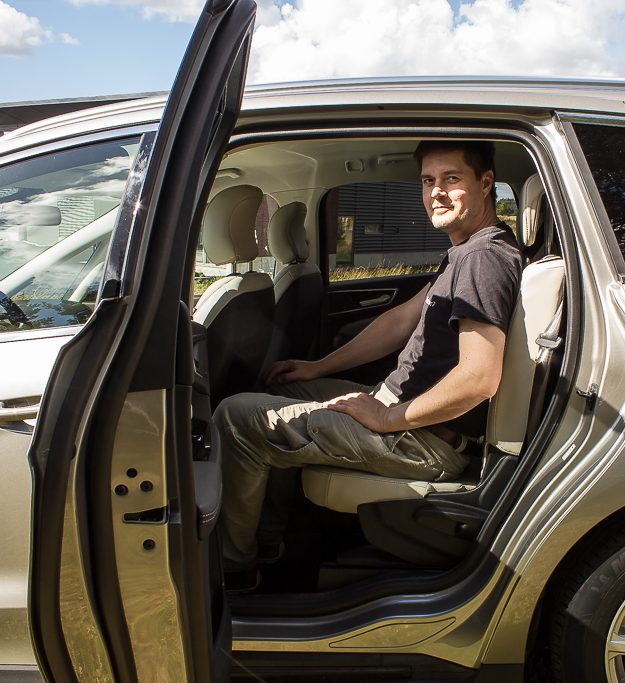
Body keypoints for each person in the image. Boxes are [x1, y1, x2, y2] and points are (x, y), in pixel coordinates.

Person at [214, 140, 523, 589]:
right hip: (404, 415)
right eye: (428, 181)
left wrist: (386, 417)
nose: (436, 192)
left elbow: (479, 378)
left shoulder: (483, 260)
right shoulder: (466, 252)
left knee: (236, 416)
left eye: (451, 179)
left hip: (422, 439)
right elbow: (399, 320)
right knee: (286, 392)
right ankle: (271, 542)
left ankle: (234, 571)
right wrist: (318, 367)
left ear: (486, 183)